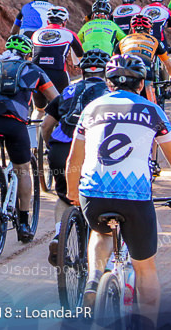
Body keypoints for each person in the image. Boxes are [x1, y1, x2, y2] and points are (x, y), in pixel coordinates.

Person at [65, 54, 171, 326]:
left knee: (100, 231)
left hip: (93, 193)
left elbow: (73, 160)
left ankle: (93, 279)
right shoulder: (152, 111)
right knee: (145, 267)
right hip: (135, 196)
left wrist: (72, 193)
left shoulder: (92, 109)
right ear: (141, 84)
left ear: (109, 83)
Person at [0, 35, 60, 238]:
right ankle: (24, 223)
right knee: (22, 170)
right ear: (28, 54)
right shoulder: (34, 71)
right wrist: (52, 119)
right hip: (15, 123)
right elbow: (56, 100)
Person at [41, 49, 110, 264]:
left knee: (65, 196)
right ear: (106, 71)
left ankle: (59, 234)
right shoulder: (110, 93)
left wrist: (49, 147)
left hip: (61, 150)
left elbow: (46, 126)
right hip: (92, 151)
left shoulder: (68, 91)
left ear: (82, 71)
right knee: (98, 195)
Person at [114, 14, 171, 105]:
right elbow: (167, 63)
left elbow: (113, 62)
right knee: (151, 107)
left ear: (133, 29)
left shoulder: (123, 41)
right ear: (149, 29)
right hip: (145, 73)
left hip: (125, 73)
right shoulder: (154, 41)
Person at [32, 6, 84, 93]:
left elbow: (30, 56)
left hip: (37, 73)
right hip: (58, 74)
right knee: (64, 103)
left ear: (48, 21)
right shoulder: (69, 33)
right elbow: (81, 56)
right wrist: (77, 65)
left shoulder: (36, 33)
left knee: (39, 106)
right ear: (64, 22)